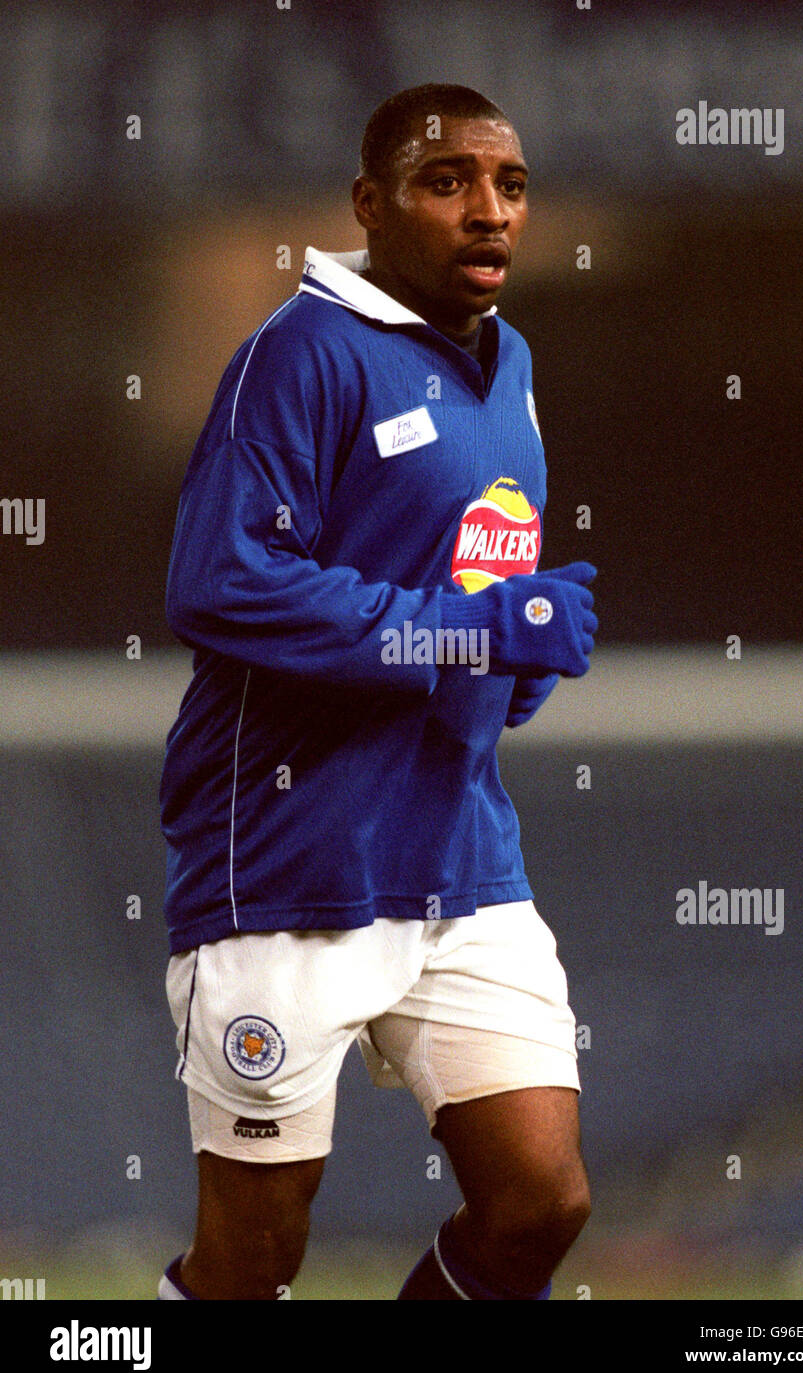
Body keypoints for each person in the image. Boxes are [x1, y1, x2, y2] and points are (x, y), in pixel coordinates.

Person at [157, 83, 598, 1302]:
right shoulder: (299, 355)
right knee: (254, 1259)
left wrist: (519, 660)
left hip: (463, 861)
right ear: (370, 205)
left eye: (508, 185)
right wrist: (469, 633)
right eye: (446, 181)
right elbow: (223, 582)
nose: (487, 211)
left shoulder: (511, 368)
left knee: (539, 1202)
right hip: (287, 865)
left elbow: (475, 572)